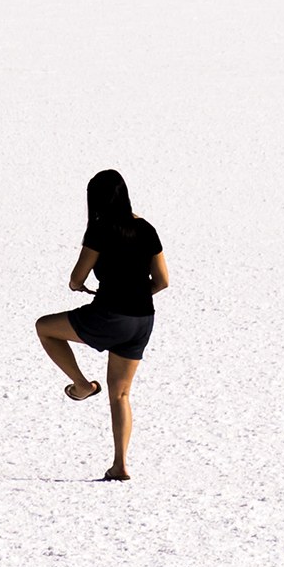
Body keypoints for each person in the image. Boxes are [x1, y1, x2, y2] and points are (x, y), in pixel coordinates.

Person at [35, 167, 165, 481]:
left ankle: (81, 385)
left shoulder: (100, 229)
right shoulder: (147, 229)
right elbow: (161, 281)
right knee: (120, 394)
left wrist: (80, 286)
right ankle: (120, 465)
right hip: (142, 320)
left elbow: (77, 278)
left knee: (45, 328)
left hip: (110, 315)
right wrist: (133, 294)